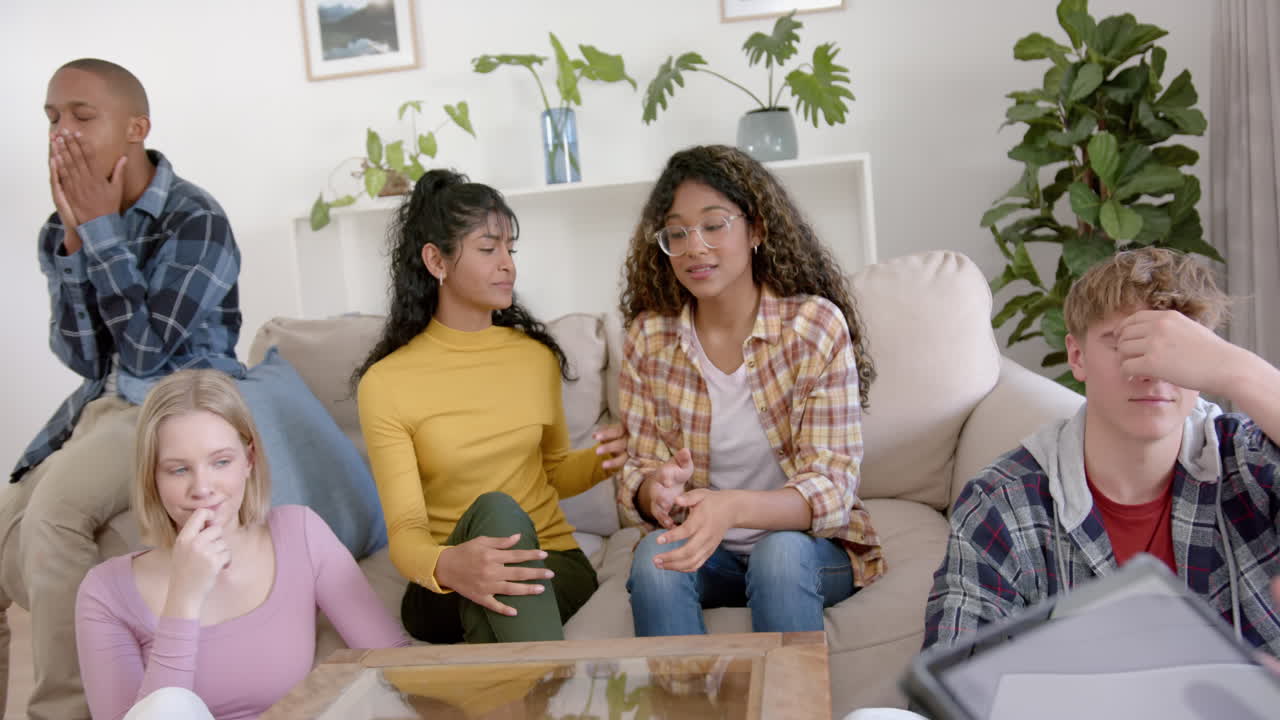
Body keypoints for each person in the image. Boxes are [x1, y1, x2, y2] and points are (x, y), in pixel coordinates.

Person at [0, 58, 243, 720]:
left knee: (53, 516)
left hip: (179, 400)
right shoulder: (63, 224)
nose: (62, 133)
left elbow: (147, 355)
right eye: (52, 118)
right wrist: (77, 242)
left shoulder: (195, 218)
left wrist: (103, 232)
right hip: (107, 401)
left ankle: (64, 713)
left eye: (82, 116)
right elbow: (81, 354)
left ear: (136, 128)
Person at [924, 247, 1280, 658]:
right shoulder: (1003, 504)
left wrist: (1237, 370)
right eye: (1125, 344)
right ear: (1077, 356)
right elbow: (951, 682)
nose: (1151, 371)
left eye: (1176, 350)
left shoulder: (1249, 462)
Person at [615, 144, 883, 637]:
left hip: (805, 549)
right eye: (677, 233)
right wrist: (657, 490)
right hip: (707, 553)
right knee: (657, 557)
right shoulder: (649, 340)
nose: (695, 247)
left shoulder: (813, 326)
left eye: (714, 225)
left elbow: (831, 488)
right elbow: (639, 472)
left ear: (757, 229)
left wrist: (732, 507)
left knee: (778, 555)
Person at [355, 169, 627, 644]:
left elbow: (556, 473)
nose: (508, 265)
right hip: (443, 579)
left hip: (550, 559)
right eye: (488, 249)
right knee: (495, 523)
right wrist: (451, 564)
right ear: (436, 260)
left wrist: (607, 457)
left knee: (501, 576)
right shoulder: (386, 382)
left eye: (510, 249)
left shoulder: (535, 357)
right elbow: (406, 531)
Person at [74, 369, 409, 720]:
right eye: (178, 470)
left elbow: (394, 664)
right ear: (152, 477)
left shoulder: (300, 533)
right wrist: (184, 600)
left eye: (221, 461)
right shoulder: (105, 592)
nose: (202, 488)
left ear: (249, 460)